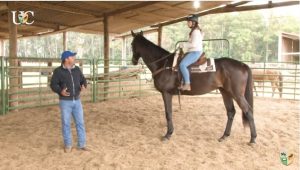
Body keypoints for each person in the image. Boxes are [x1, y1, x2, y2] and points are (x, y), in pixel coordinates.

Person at [50, 50, 88, 153]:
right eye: (72, 56)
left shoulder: (77, 69)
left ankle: (82, 144)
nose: (74, 58)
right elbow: (53, 85)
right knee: (66, 123)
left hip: (77, 100)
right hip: (65, 102)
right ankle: (68, 145)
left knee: (80, 123)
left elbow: (83, 80)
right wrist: (60, 91)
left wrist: (84, 85)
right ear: (66, 59)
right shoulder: (58, 71)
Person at [179, 14, 203, 91]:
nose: (187, 23)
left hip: (195, 52)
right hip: (193, 51)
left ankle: (187, 84)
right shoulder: (194, 31)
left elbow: (194, 44)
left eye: (189, 21)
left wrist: (183, 45)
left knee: (182, 65)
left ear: (193, 22)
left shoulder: (195, 32)